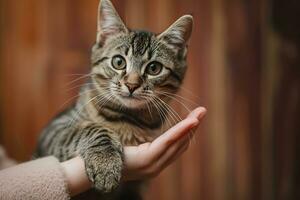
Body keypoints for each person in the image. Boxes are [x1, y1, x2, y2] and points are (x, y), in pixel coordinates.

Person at [0, 107, 206, 199]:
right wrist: (98, 143)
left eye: (153, 68)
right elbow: (48, 140)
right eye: (118, 62)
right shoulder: (88, 103)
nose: (132, 81)